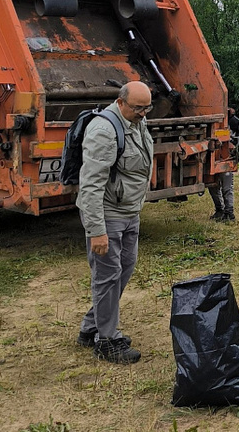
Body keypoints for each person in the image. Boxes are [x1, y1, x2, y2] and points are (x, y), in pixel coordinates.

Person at [76, 81, 154, 364]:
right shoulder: (104, 130)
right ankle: (107, 341)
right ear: (120, 103)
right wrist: (96, 230)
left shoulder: (136, 121)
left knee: (125, 268)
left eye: (147, 107)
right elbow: (91, 185)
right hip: (107, 215)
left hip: (129, 211)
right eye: (137, 108)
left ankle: (90, 326)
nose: (143, 113)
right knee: (107, 276)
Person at [209, 107, 239, 222]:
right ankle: (220, 210)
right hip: (213, 155)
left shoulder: (233, 120)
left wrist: (234, 142)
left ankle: (229, 213)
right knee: (213, 186)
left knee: (226, 186)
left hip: (226, 155)